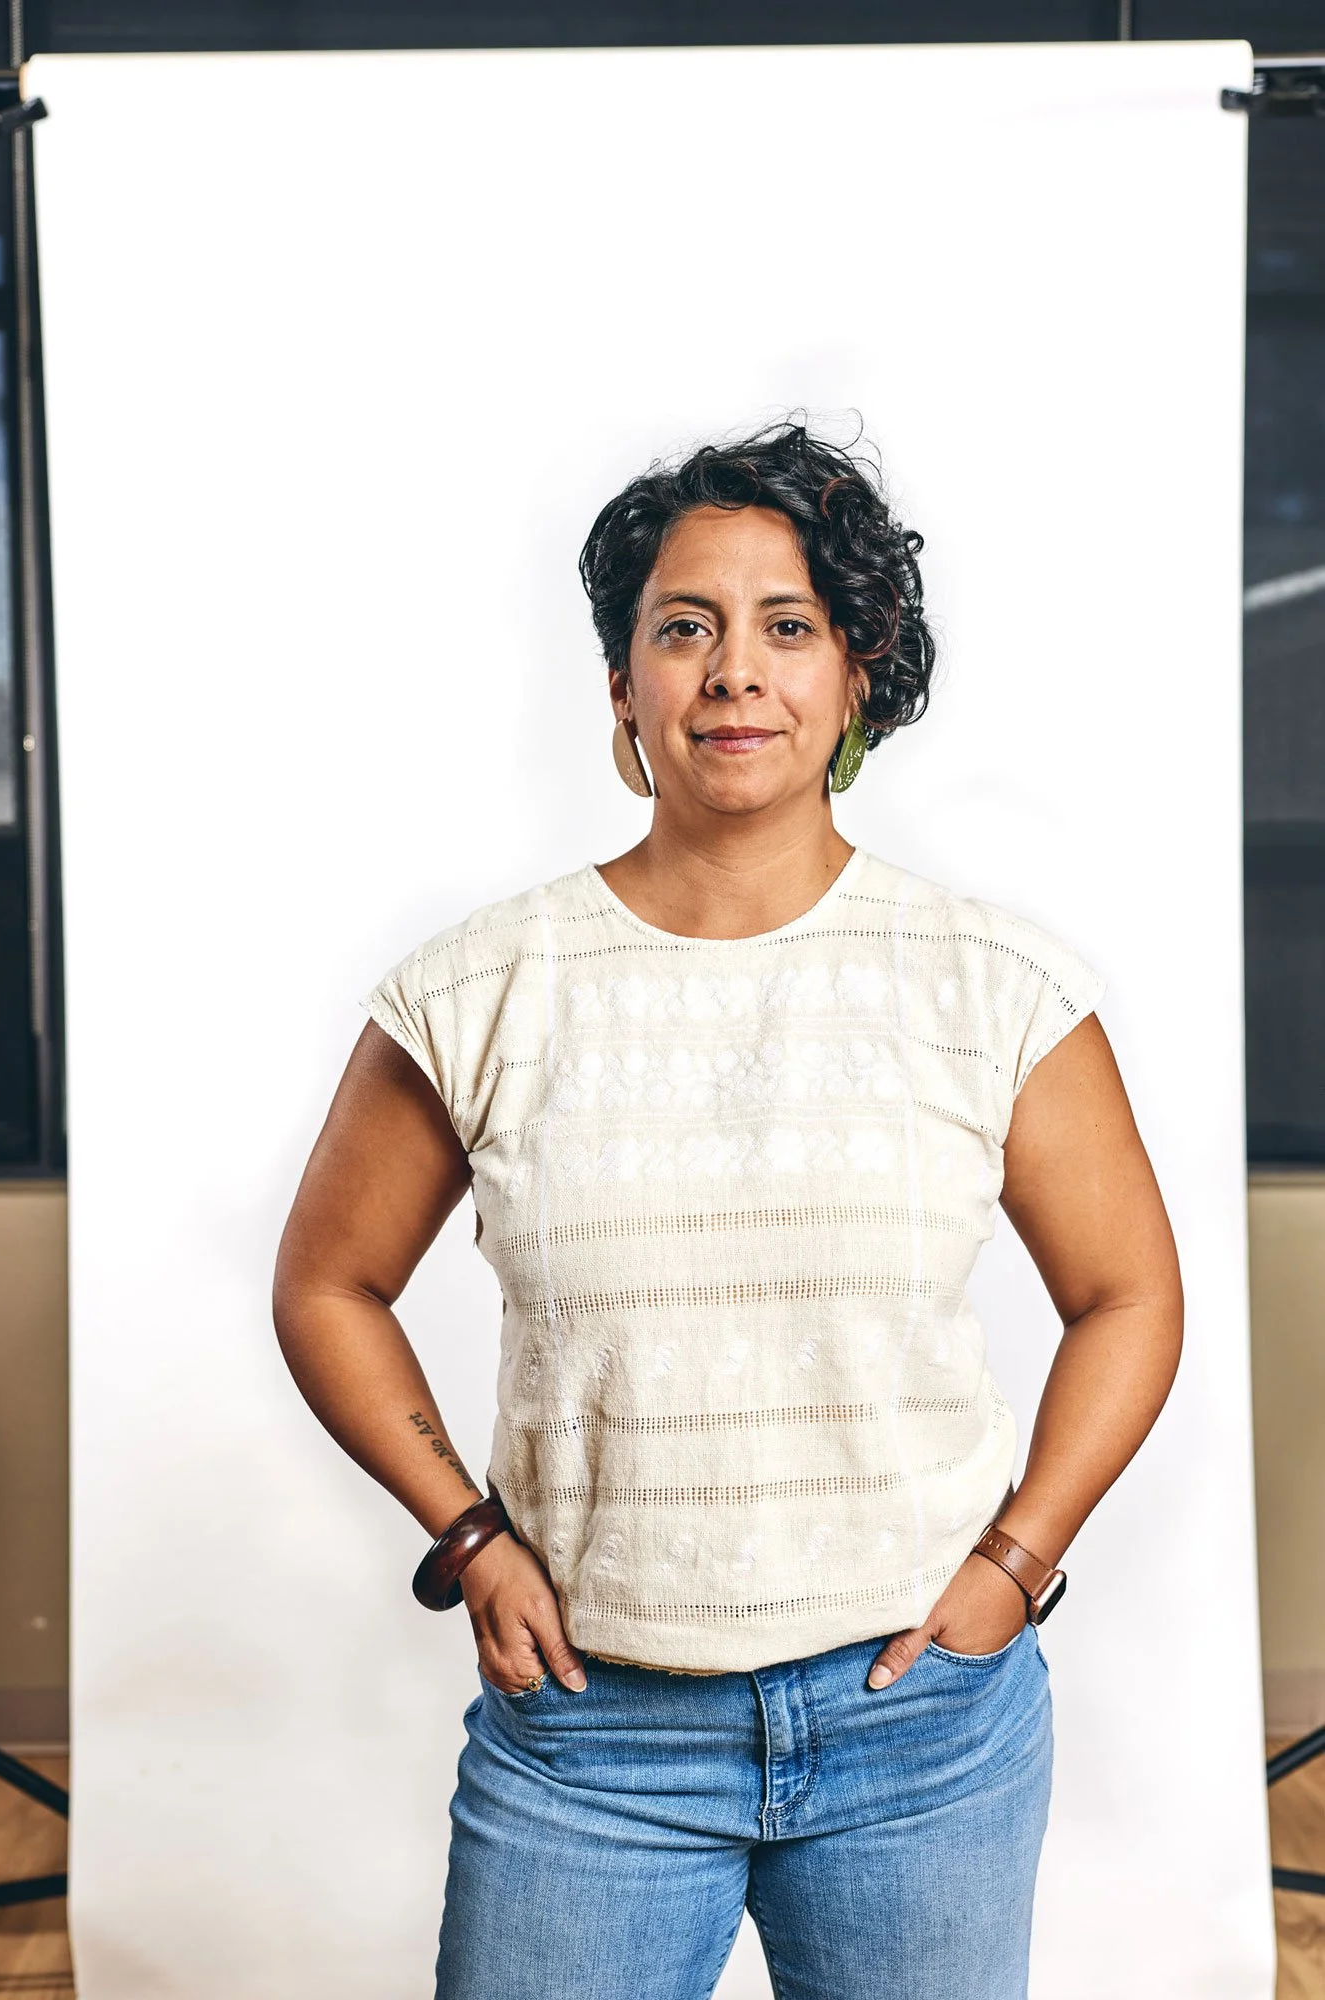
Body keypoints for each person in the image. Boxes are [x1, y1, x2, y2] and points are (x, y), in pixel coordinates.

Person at [272, 420, 1183, 2000]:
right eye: (681, 627)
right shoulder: (484, 986)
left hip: (922, 1722)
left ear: (851, 676)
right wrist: (472, 1539)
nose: (732, 671)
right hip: (593, 1734)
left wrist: (1013, 1567)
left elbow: (1129, 1297)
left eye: (787, 627)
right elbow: (327, 1283)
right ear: (619, 685)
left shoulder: (990, 982)